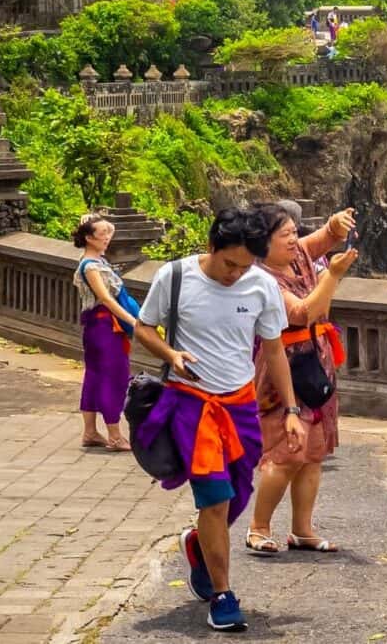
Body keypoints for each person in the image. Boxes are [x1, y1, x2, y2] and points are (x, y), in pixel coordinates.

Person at [134, 208, 306, 632]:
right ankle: (222, 593)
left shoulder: (262, 285)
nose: (235, 274)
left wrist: (292, 410)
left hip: (241, 405)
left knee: (237, 494)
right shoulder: (175, 277)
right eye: (230, 264)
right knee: (214, 498)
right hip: (191, 404)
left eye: (245, 266)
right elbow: (143, 327)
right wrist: (171, 355)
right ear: (211, 246)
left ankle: (198, 543)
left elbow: (273, 349)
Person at [245, 205, 357, 555]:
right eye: (286, 235)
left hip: (315, 358)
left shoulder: (299, 255)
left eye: (295, 231)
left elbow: (323, 239)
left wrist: (335, 226)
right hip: (283, 365)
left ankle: (302, 529)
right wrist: (333, 277)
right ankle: (258, 526)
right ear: (263, 242)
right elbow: (302, 313)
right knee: (287, 451)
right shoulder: (262, 277)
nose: (294, 240)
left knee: (313, 451)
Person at [72, 214, 138, 451]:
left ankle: (90, 432)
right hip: (104, 327)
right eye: (102, 234)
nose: (108, 237)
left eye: (108, 233)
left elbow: (110, 226)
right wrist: (132, 320)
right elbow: (106, 299)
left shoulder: (98, 260)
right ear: (89, 238)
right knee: (114, 377)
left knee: (95, 376)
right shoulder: (90, 266)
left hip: (97, 327)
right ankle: (114, 434)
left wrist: (95, 220)